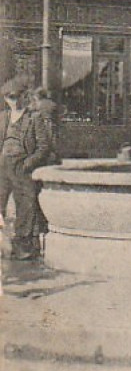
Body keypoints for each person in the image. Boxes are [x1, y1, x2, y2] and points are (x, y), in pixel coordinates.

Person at [0, 76, 53, 260]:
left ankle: (23, 248)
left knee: (25, 207)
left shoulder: (34, 118)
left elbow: (44, 147)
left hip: (22, 167)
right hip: (2, 167)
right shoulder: (3, 117)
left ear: (24, 96)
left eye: (15, 97)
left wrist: (28, 164)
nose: (12, 102)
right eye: (8, 97)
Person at [28, 87, 59, 256]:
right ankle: (42, 231)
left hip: (38, 159)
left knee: (34, 197)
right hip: (49, 156)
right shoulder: (52, 109)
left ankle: (36, 235)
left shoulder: (36, 112)